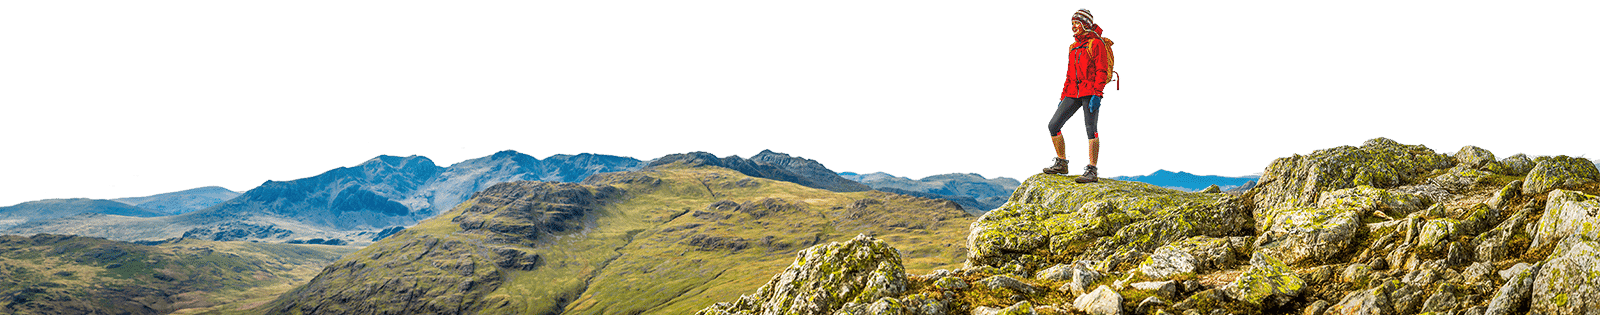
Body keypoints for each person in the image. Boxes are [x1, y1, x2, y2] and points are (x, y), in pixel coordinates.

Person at [1042, 8, 1110, 183]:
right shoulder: (1073, 47)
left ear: (1085, 24)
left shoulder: (1096, 43)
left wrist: (1098, 94)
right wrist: (1062, 96)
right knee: (1053, 125)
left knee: (1091, 130)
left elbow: (1102, 71)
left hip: (1090, 92)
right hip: (1072, 92)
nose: (1073, 27)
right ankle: (1062, 163)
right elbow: (1069, 74)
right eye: (1072, 24)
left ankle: (1092, 170)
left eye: (1076, 23)